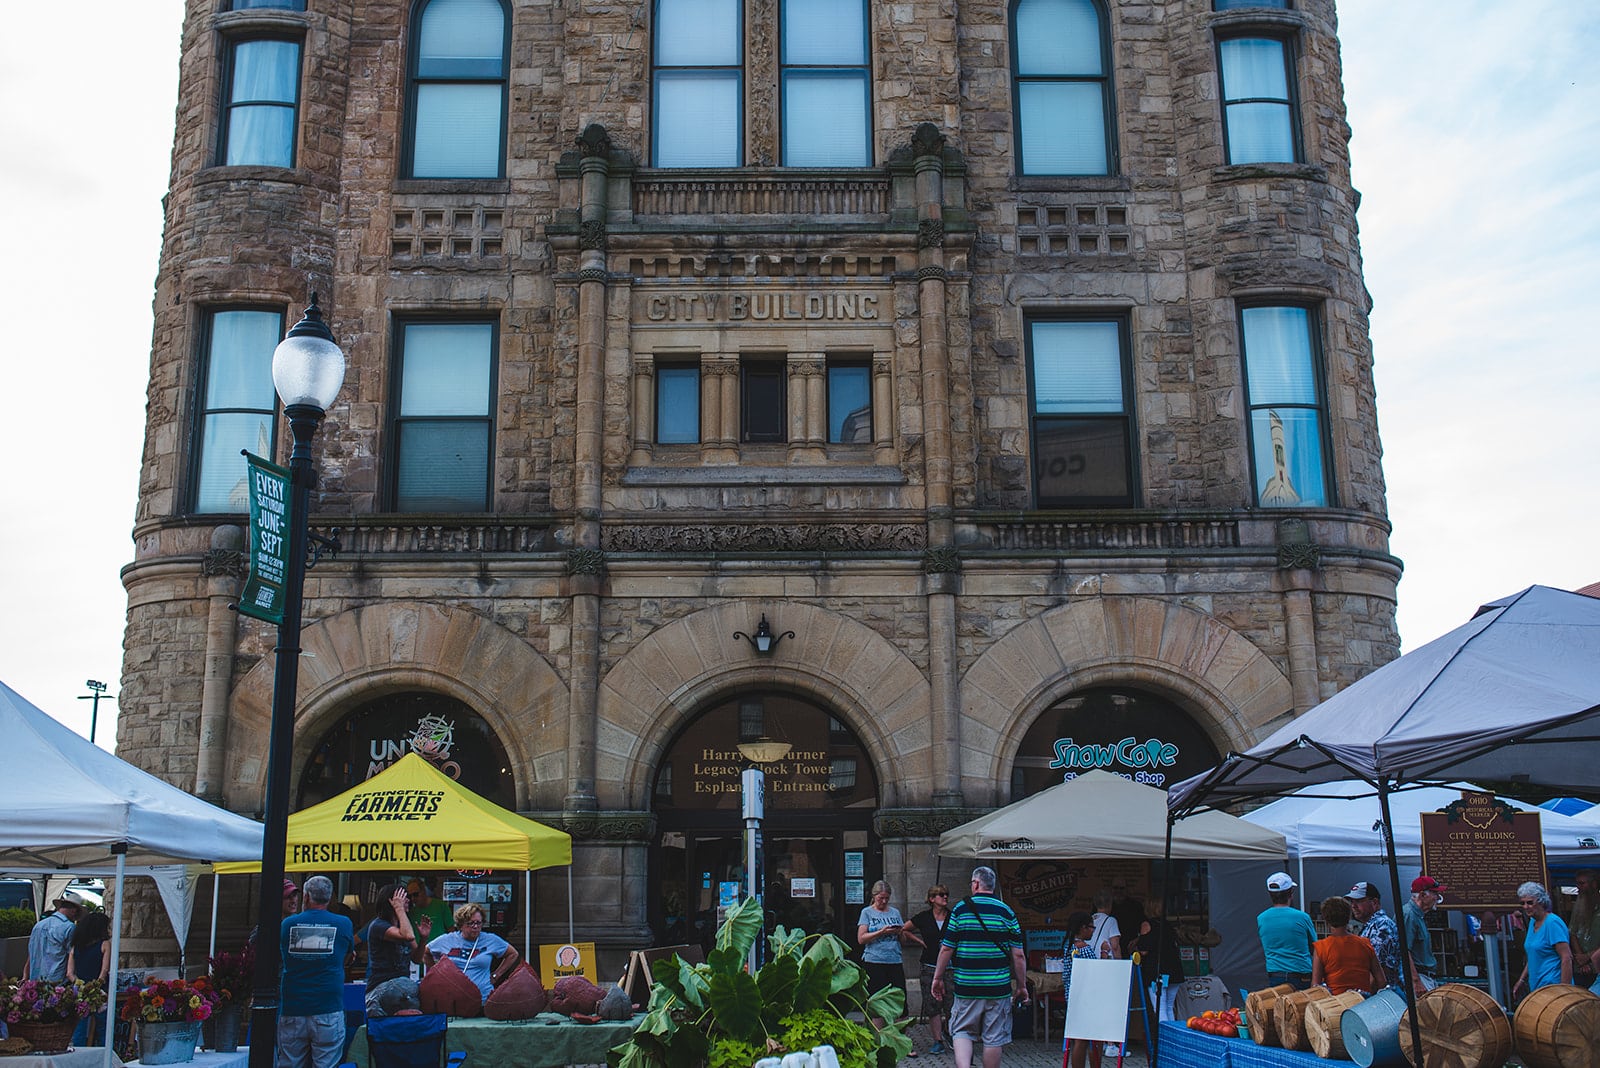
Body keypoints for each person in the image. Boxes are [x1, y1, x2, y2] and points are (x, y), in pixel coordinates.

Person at [929, 867, 1026, 1068]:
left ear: (975, 884)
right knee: (993, 1038)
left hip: (967, 986)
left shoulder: (960, 910)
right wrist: (1021, 985)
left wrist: (937, 978)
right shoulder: (1006, 911)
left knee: (962, 1031)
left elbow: (947, 948)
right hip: (998, 988)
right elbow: (1018, 954)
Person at [278, 874, 355, 1068]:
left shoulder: (287, 924)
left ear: (306, 896)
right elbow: (347, 956)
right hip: (327, 1006)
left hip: (293, 1006)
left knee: (290, 1063)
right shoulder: (343, 923)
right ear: (330, 899)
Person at [426, 904, 520, 1003]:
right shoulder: (447, 940)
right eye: (470, 923)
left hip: (483, 999)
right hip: (453, 1000)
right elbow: (426, 952)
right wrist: (437, 973)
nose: (475, 927)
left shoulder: (490, 939)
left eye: (478, 923)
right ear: (461, 924)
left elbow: (513, 954)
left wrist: (496, 975)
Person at [364, 883, 431, 1018]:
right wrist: (399, 908)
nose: (408, 900)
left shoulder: (403, 926)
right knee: (405, 985)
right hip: (381, 988)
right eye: (403, 897)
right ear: (391, 901)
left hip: (400, 990)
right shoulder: (379, 925)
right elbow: (408, 936)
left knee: (414, 987)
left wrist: (424, 939)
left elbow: (417, 959)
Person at [903, 884, 952, 1054]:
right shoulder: (924, 917)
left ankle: (949, 1031)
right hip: (929, 965)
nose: (945, 897)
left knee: (952, 1004)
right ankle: (937, 1040)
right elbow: (904, 929)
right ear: (932, 899)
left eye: (946, 894)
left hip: (951, 967)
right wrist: (919, 942)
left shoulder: (953, 917)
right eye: (940, 895)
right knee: (933, 1005)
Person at [857, 881, 908, 1038]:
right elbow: (861, 938)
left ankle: (901, 1038)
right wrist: (881, 932)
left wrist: (899, 932)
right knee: (877, 1001)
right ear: (874, 896)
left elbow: (904, 941)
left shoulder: (895, 913)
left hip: (894, 960)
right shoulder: (867, 912)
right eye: (881, 898)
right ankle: (877, 1038)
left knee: (900, 999)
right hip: (874, 961)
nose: (884, 901)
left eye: (887, 898)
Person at [1311, 896, 1385, 996]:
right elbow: (1381, 981)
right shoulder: (1365, 944)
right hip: (1361, 1002)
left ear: (1325, 919)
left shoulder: (1321, 947)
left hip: (1335, 1004)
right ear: (1349, 917)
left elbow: (1315, 986)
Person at [1127, 897, 1184, 1022]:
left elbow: (1144, 950)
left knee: (1160, 1009)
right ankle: (1171, 1039)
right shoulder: (1169, 925)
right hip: (1175, 970)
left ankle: (1162, 1040)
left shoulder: (1147, 924)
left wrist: (1135, 945)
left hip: (1157, 972)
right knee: (1169, 1007)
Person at [1512, 882, 1573, 997]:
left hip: (1553, 987)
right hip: (1537, 988)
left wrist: (1565, 992)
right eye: (1522, 903)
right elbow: (1533, 955)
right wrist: (1521, 980)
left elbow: (1566, 958)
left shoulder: (1552, 923)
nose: (1525, 907)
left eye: (1530, 902)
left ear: (1540, 901)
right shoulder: (1532, 922)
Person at [1257, 872, 1315, 990]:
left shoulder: (1261, 918)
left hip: (1275, 974)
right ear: (1290, 893)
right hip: (1301, 974)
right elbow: (1314, 946)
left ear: (1270, 894)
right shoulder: (1302, 917)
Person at [1061, 912, 1101, 1068]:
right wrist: (1104, 953)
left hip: (1073, 995)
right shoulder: (1083, 949)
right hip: (1086, 997)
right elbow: (1096, 970)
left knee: (1079, 1037)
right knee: (1091, 1038)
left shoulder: (1069, 946)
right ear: (1083, 928)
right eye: (1092, 927)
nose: (1093, 931)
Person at [67, 910, 112, 1046]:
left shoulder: (75, 947)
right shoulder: (105, 945)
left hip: (80, 991)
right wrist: (96, 985)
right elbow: (105, 970)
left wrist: (81, 985)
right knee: (104, 1028)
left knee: (79, 1029)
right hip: (100, 991)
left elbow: (69, 973)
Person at [1345, 881, 1398, 990]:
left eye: (1359, 901)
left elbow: (1378, 970)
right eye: (1352, 902)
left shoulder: (1382, 926)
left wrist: (1363, 996)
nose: (1353, 906)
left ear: (1374, 902)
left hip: (1383, 996)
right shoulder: (1372, 925)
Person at [23, 890, 86, 980]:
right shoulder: (69, 927)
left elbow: (32, 953)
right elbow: (71, 955)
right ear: (74, 911)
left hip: (35, 979)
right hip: (56, 981)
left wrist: (26, 975)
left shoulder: (39, 925)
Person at [1403, 876, 1445, 995]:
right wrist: (1416, 981)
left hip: (1425, 977)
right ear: (1422, 895)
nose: (1437, 898)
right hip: (1419, 978)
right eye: (1435, 893)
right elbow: (1404, 951)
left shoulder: (1417, 915)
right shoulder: (1409, 915)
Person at [1569, 869, 1600, 987]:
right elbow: (1573, 933)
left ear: (1594, 884)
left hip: (1597, 966)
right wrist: (1581, 959)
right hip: (1580, 968)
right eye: (1577, 884)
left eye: (1582, 883)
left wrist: (1588, 957)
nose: (1578, 887)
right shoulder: (1578, 906)